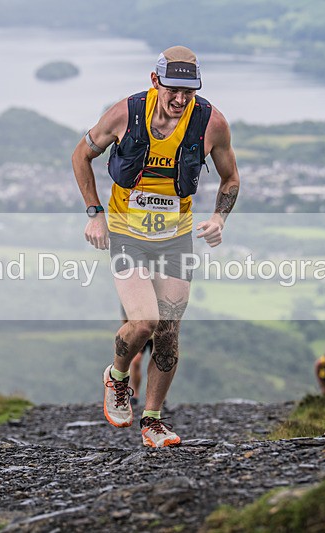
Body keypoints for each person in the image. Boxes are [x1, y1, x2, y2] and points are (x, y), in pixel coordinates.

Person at [72, 45, 240, 447]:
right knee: (143, 321)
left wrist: (219, 217)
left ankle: (153, 421)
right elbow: (81, 156)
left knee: (167, 331)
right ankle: (116, 376)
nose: (181, 99)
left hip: (176, 236)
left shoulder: (211, 123)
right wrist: (94, 213)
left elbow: (230, 178)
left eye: (190, 91)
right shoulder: (125, 115)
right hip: (128, 232)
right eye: (173, 90)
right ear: (155, 82)